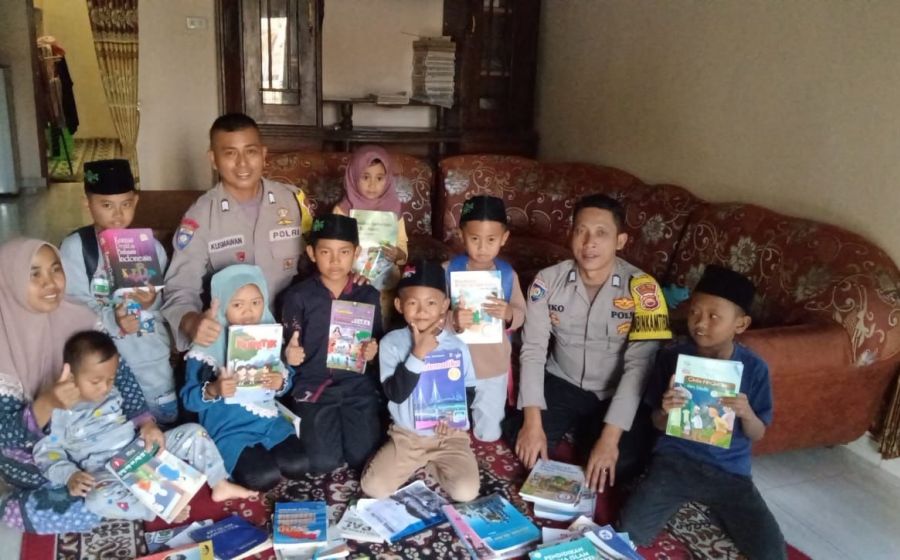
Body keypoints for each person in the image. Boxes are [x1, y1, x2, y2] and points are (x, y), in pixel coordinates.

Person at [504, 194, 672, 493]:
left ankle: (592, 433)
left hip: (614, 390)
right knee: (520, 439)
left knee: (621, 465)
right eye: (581, 230)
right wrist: (532, 423)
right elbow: (533, 350)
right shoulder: (547, 281)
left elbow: (640, 367)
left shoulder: (647, 291)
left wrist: (609, 438)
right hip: (562, 379)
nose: (589, 242)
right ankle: (571, 428)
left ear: (620, 241)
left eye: (601, 233)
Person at [619, 265, 786, 559]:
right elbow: (656, 423)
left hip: (729, 473)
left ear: (740, 324)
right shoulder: (672, 358)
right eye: (695, 312)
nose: (700, 323)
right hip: (674, 463)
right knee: (629, 532)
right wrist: (666, 410)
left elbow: (758, 433)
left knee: (771, 550)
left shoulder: (754, 369)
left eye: (714, 317)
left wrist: (746, 413)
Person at [0, 238, 159, 533]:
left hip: (97, 437)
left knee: (150, 456)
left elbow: (120, 374)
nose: (50, 283)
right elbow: (4, 435)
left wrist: (145, 422)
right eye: (34, 274)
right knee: (87, 496)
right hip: (37, 455)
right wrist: (47, 404)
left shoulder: (80, 317)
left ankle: (108, 493)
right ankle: (22, 508)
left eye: (55, 269)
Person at [33, 331, 255, 521]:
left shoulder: (113, 392)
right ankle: (157, 508)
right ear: (71, 375)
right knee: (96, 500)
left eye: (110, 379)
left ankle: (219, 483)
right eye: (95, 381)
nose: (104, 388)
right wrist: (69, 475)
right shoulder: (58, 410)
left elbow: (137, 413)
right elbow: (46, 453)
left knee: (193, 432)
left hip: (141, 450)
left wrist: (147, 426)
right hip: (104, 472)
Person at [162, 113, 311, 352]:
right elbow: (180, 287)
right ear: (213, 159)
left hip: (292, 336)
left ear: (263, 154)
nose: (242, 163)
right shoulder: (200, 217)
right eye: (230, 153)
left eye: (250, 151)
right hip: (230, 345)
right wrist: (191, 322)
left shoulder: (292, 202)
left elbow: (316, 260)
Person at [59, 159, 176, 424]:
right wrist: (114, 319)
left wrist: (149, 303)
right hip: (105, 369)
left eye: (126, 204)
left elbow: (167, 305)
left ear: (136, 201)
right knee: (115, 432)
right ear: (87, 203)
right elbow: (73, 309)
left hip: (152, 362)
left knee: (161, 428)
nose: (118, 214)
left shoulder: (151, 248)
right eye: (106, 205)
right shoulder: (77, 249)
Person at [180, 264, 309, 491]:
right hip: (228, 429)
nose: (248, 312)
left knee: (298, 465)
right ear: (222, 306)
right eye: (237, 304)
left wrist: (281, 380)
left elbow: (284, 386)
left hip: (268, 422)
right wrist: (214, 389)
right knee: (264, 477)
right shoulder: (205, 348)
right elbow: (189, 400)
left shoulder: (268, 335)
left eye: (256, 303)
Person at [360, 260, 479, 502]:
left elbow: (468, 389)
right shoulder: (391, 343)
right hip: (407, 437)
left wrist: (455, 417)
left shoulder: (457, 346)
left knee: (466, 492)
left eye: (431, 303)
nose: (422, 311)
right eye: (413, 303)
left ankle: (434, 464)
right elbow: (395, 393)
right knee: (373, 487)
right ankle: (413, 460)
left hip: (448, 437)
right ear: (399, 305)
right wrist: (418, 354)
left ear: (444, 306)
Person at [280, 214, 382, 473]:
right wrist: (288, 355)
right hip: (314, 386)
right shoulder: (298, 295)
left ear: (356, 253)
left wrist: (372, 351)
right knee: (321, 463)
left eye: (344, 252)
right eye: (326, 252)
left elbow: (377, 338)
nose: (335, 261)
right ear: (312, 253)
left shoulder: (368, 294)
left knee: (363, 458)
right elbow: (286, 344)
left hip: (356, 384)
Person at [445, 195, 525, 442]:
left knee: (489, 433)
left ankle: (481, 422)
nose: (482, 247)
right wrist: (453, 319)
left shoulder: (508, 275)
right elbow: (432, 313)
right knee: (448, 427)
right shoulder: (447, 270)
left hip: (492, 362)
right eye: (474, 239)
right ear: (461, 235)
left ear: (504, 238)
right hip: (454, 360)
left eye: (491, 239)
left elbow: (521, 313)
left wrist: (509, 313)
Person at [333, 145, 407, 327]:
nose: (372, 185)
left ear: (388, 179)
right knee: (355, 328)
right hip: (351, 282)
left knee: (382, 327)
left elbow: (403, 250)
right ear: (353, 176)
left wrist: (397, 254)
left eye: (379, 178)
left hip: (386, 285)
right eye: (365, 177)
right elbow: (333, 248)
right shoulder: (342, 211)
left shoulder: (394, 211)